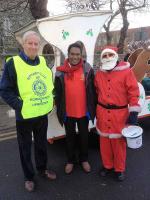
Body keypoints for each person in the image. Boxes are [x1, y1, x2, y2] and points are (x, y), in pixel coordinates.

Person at [0, 31, 56, 192]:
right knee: (24, 148)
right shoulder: (13, 63)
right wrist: (19, 106)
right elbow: (4, 90)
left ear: (38, 46)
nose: (33, 46)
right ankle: (29, 177)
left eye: (36, 44)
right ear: (23, 45)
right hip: (24, 116)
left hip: (41, 113)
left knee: (41, 145)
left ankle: (42, 169)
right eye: (29, 43)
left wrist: (51, 99)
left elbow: (48, 84)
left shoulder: (43, 62)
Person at [94, 46, 141, 181]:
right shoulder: (99, 74)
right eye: (105, 55)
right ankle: (107, 165)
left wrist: (133, 111)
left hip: (119, 114)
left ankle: (119, 169)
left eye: (110, 54)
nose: (108, 57)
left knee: (118, 144)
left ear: (115, 56)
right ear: (102, 58)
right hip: (103, 113)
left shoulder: (126, 72)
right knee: (104, 142)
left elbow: (133, 91)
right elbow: (97, 91)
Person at [54, 42, 96, 174]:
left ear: (81, 55)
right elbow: (58, 93)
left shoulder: (88, 69)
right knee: (70, 138)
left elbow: (93, 90)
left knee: (84, 138)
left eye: (78, 54)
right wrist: (59, 107)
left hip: (83, 112)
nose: (75, 57)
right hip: (68, 112)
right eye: (72, 54)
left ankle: (84, 159)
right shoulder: (60, 71)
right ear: (68, 54)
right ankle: (70, 161)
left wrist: (93, 107)